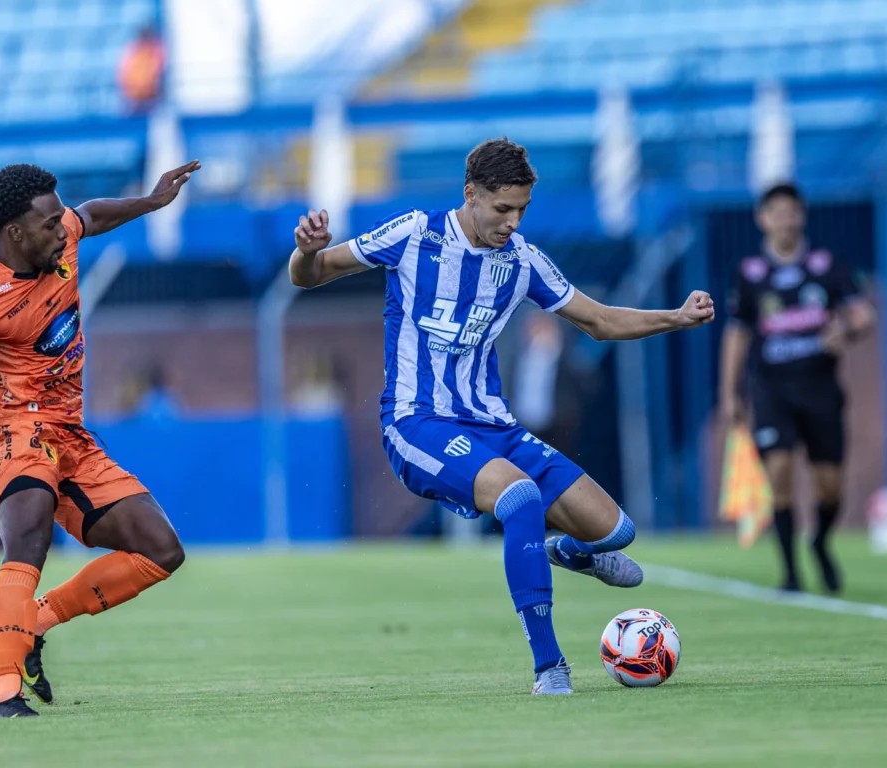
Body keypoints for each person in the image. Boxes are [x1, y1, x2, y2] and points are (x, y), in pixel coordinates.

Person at [289, 138, 714, 695]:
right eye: (502, 209)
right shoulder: (414, 234)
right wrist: (305, 250)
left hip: (494, 426)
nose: (512, 223)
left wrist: (677, 317)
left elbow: (601, 321)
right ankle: (550, 667)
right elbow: (311, 275)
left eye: (522, 211)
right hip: (418, 422)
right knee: (520, 498)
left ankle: (566, 551)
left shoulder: (523, 262)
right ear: (471, 195)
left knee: (616, 531)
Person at [0, 159, 201, 718]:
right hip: (14, 433)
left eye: (59, 218)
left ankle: (36, 619)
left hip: (71, 433)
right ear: (15, 233)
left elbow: (90, 215)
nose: (63, 227)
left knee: (163, 550)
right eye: (50, 223)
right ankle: (3, 694)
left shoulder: (59, 232)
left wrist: (151, 201)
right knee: (27, 540)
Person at [719, 182, 875, 594]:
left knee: (830, 486)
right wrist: (730, 394)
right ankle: (790, 572)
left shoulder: (827, 265)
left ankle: (820, 541)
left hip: (822, 389)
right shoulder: (750, 272)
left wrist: (846, 328)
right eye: (777, 211)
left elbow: (863, 315)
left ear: (802, 216)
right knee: (780, 473)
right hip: (772, 391)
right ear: (763, 218)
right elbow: (737, 336)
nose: (785, 219)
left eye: (792, 211)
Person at [117, 24, 166, 114]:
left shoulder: (155, 50)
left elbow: (157, 70)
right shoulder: (132, 50)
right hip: (134, 96)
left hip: (150, 96)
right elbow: (123, 73)